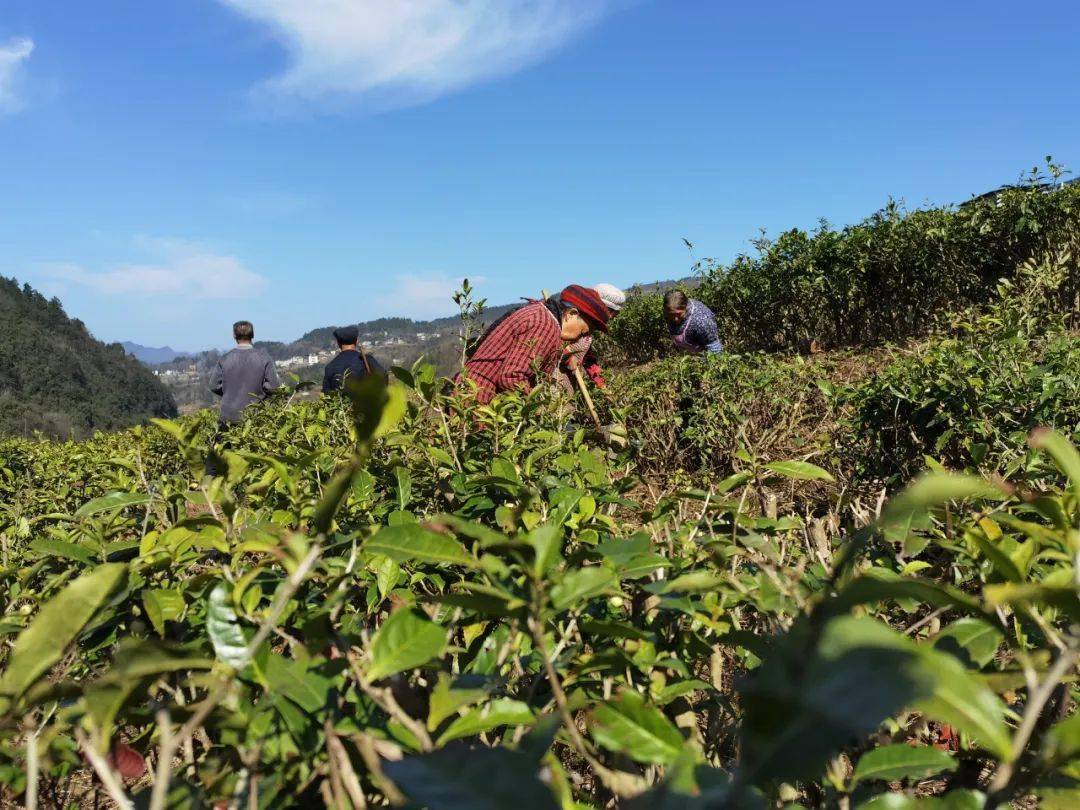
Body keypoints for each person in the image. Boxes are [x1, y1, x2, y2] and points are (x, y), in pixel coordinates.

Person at [460, 285, 610, 405]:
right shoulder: (546, 326)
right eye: (584, 331)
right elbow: (512, 378)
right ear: (571, 313)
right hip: (478, 403)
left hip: (468, 394)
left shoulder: (540, 313)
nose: (581, 337)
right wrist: (542, 411)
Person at [206, 320, 280, 475]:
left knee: (217, 457)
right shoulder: (264, 358)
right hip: (253, 416)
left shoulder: (225, 359)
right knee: (254, 459)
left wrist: (227, 393)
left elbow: (213, 385)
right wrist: (261, 393)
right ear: (253, 335)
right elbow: (274, 386)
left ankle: (208, 489)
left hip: (228, 414)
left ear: (234, 335)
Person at [557, 283, 626, 394]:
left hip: (567, 388)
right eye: (610, 312)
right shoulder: (567, 324)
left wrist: (602, 383)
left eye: (615, 314)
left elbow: (588, 361)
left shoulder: (587, 335)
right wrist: (567, 356)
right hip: (549, 385)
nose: (611, 317)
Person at [323, 325, 384, 393]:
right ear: (357, 340)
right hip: (366, 402)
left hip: (341, 403)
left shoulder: (330, 367)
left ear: (338, 342)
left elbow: (327, 393)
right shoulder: (366, 360)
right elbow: (383, 377)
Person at [664, 290, 722, 354]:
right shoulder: (668, 310)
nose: (675, 319)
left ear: (686, 307)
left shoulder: (701, 321)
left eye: (679, 314)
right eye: (671, 315)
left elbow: (715, 349)